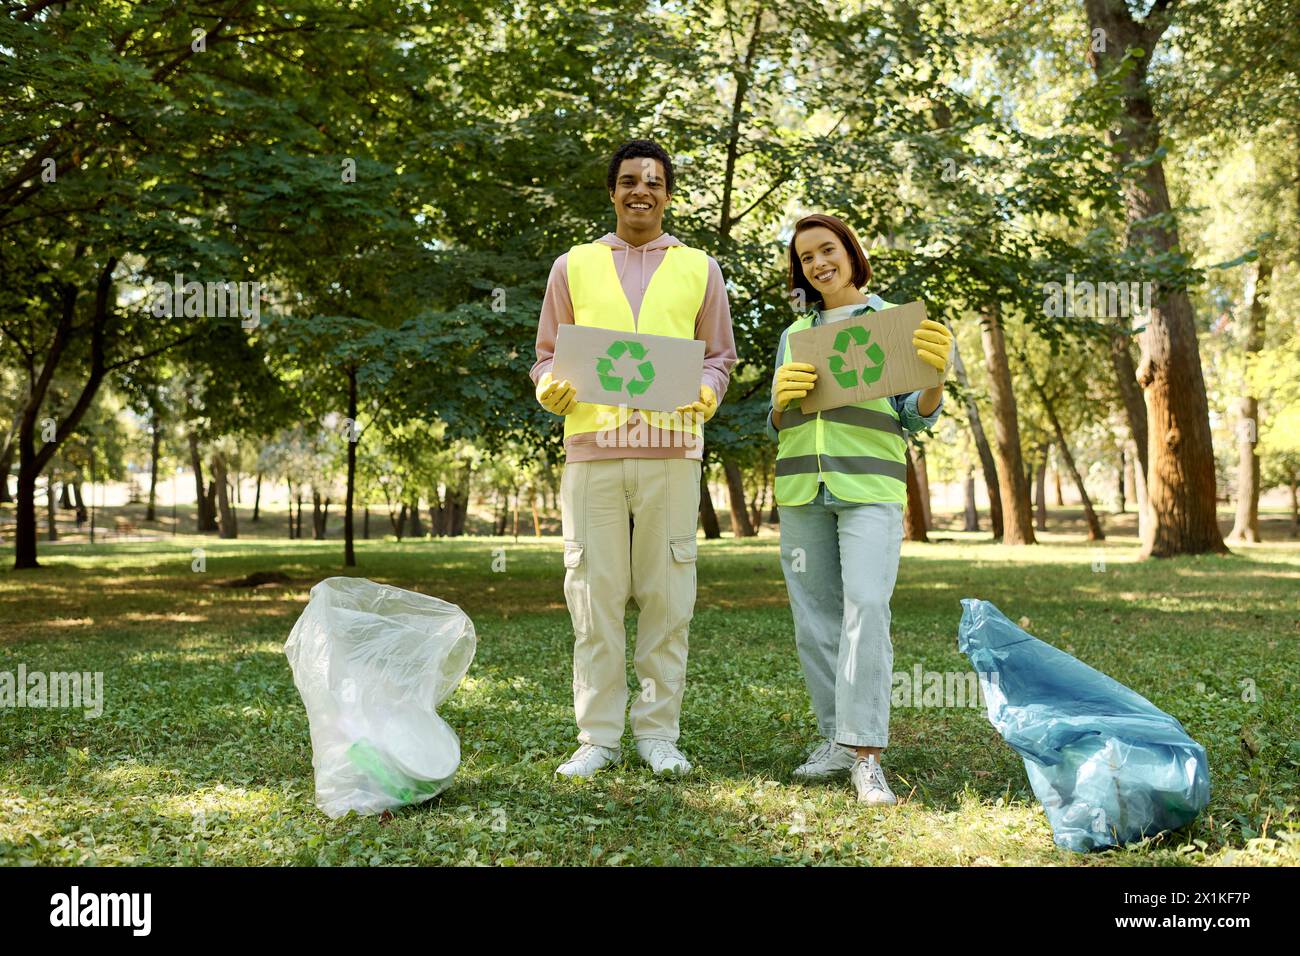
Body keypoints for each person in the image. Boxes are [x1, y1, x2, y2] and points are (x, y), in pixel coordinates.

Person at [530, 139, 737, 778]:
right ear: (613, 192)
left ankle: (657, 735)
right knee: (594, 596)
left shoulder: (701, 268)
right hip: (593, 452)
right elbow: (545, 354)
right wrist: (547, 386)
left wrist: (708, 389)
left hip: (672, 452)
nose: (639, 190)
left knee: (667, 598)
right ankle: (598, 737)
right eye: (628, 181)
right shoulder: (573, 266)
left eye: (652, 181)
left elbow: (719, 356)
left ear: (667, 193)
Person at [767, 213, 952, 804]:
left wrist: (936, 378)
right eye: (807, 258)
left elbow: (913, 415)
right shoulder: (795, 333)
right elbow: (780, 420)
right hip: (802, 491)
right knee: (814, 621)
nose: (819, 264)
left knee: (866, 608)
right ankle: (834, 742)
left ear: (850, 251)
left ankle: (866, 752)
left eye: (828, 250)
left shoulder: (891, 322)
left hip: (870, 487)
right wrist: (777, 403)